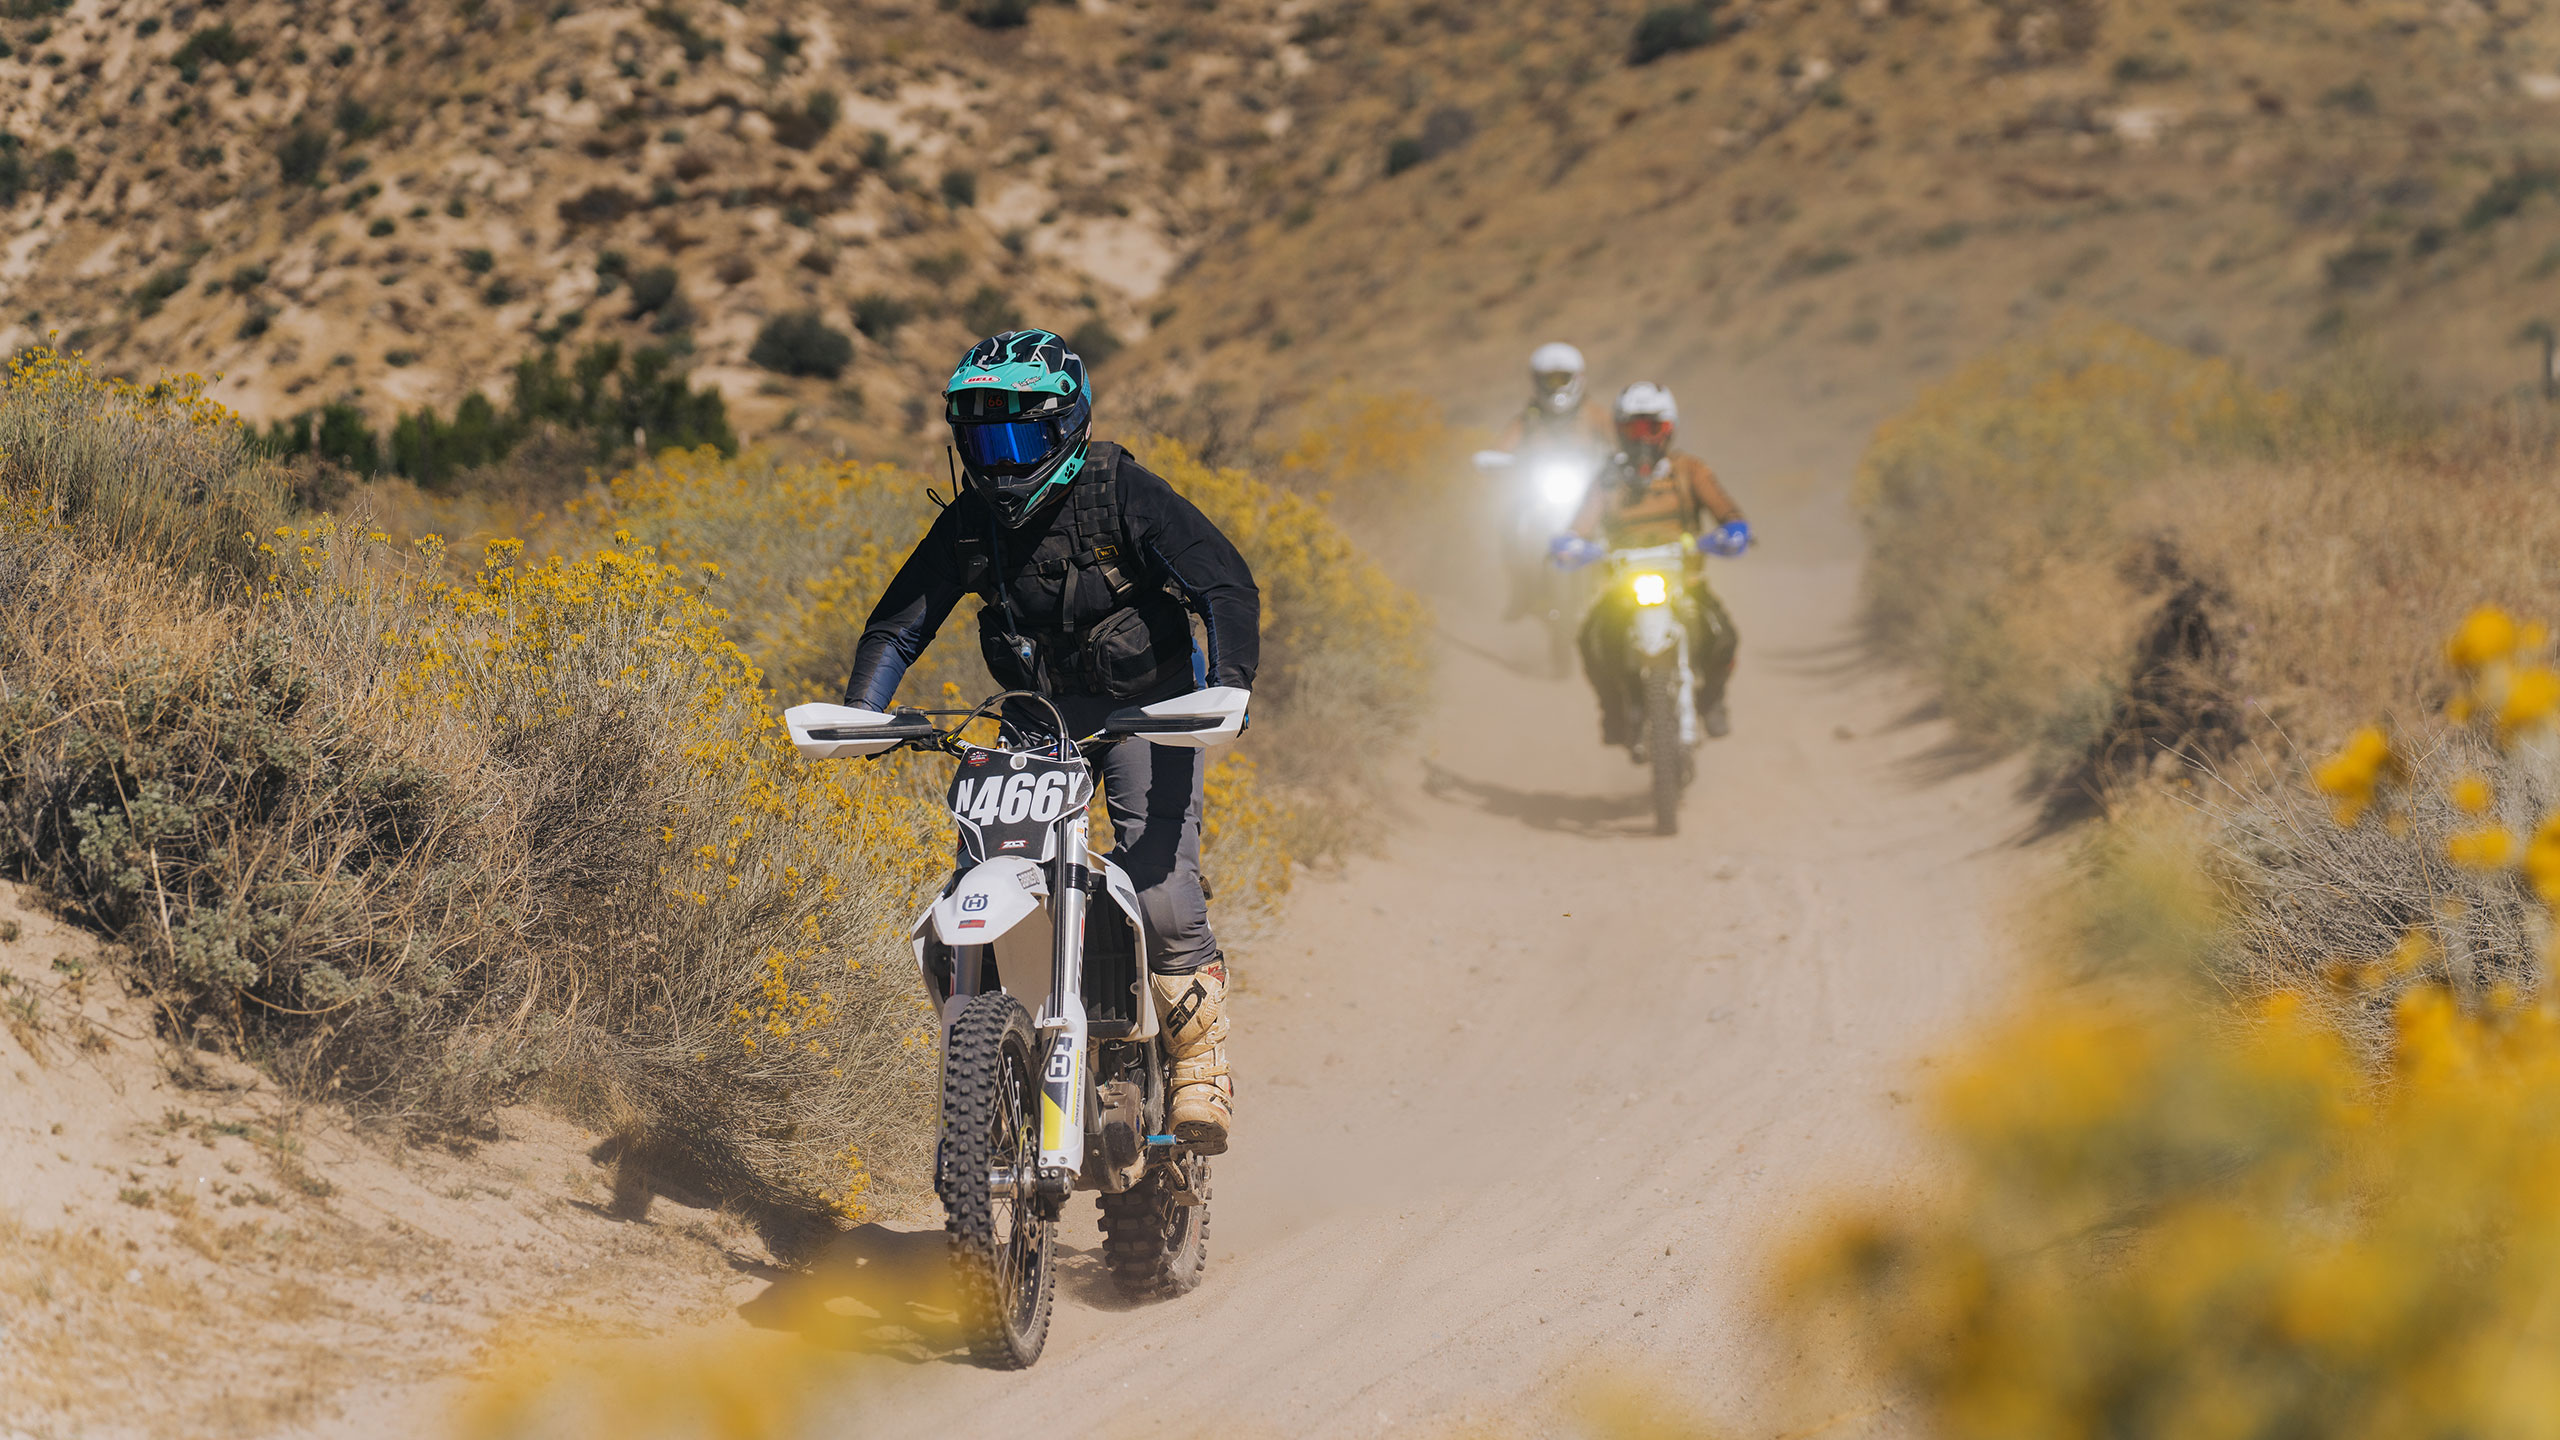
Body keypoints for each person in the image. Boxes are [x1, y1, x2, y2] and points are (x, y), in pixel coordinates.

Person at [843, 328, 1256, 1154]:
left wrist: (1230, 685)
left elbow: (1223, 581)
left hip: (1151, 709)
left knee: (1163, 891)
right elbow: (897, 627)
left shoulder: (1121, 492)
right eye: (981, 440)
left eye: (1018, 435)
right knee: (986, 878)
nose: (998, 460)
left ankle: (1198, 1067)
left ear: (1067, 426)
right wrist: (864, 709)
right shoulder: (971, 526)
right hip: (1037, 720)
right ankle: (999, 1048)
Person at [1554, 381, 1750, 747]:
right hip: (1621, 588)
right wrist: (1569, 544)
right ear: (1619, 431)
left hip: (1685, 584)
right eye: (1632, 429)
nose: (1642, 439)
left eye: (1652, 428)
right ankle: (1613, 710)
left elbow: (1727, 511)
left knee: (1723, 637)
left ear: (1669, 429)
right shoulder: (1607, 478)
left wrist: (1735, 531)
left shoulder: (1690, 470)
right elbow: (1580, 524)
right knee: (1592, 641)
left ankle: (1711, 701)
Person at [1492, 342, 1615, 621]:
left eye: (1562, 378)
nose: (1556, 386)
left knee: (1615, 523)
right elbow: (1503, 446)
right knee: (1511, 526)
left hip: (1587, 493)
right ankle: (1521, 591)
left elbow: (1619, 441)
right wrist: (1495, 460)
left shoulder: (1594, 413)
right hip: (1541, 495)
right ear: (1536, 381)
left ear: (1578, 379)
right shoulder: (1530, 418)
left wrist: (1620, 459)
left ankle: (1615, 587)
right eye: (1550, 379)